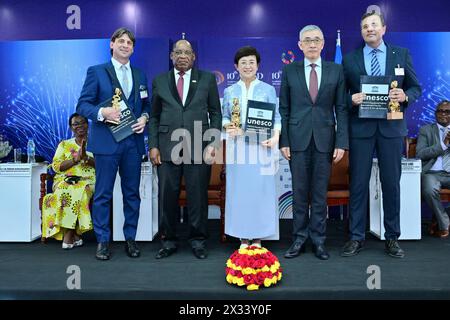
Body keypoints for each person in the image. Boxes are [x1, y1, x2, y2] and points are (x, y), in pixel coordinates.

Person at [341, 11, 422, 258]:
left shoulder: (401, 54)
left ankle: (392, 237)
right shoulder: (350, 59)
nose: (370, 29)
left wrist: (405, 96)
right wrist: (351, 98)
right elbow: (340, 97)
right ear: (361, 31)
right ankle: (356, 237)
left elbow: (416, 86)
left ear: (384, 29)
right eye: (365, 26)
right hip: (361, 130)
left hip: (391, 129)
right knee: (357, 185)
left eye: (374, 25)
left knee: (391, 184)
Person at [76, 27, 151, 260]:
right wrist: (102, 112)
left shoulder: (140, 75)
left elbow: (147, 105)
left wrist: (144, 118)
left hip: (133, 144)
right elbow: (82, 106)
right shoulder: (96, 72)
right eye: (121, 41)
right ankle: (102, 241)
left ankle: (130, 239)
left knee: (132, 194)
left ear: (133, 48)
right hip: (107, 144)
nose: (125, 45)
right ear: (111, 44)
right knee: (103, 194)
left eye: (129, 42)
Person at [279, 25, 348, 260]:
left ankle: (318, 240)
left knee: (319, 194)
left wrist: (341, 142)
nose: (311, 44)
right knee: (299, 193)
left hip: (325, 141)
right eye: (307, 40)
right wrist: (284, 141)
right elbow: (284, 109)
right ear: (299, 45)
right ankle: (298, 239)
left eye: (316, 40)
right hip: (297, 141)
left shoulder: (336, 70)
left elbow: (341, 108)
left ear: (323, 44)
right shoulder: (289, 71)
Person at [149, 39, 222, 259]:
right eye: (178, 52)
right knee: (167, 197)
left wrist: (213, 142)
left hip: (198, 146)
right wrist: (153, 145)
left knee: (197, 197)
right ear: (171, 56)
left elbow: (216, 113)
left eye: (186, 52)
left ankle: (198, 240)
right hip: (167, 147)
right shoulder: (160, 80)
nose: (182, 55)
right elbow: (153, 116)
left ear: (193, 57)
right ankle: (168, 241)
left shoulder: (207, 79)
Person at [222, 46, 281, 249]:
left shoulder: (268, 89)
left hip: (261, 148)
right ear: (236, 66)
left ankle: (258, 237)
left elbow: (276, 117)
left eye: (251, 62)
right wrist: (226, 125)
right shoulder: (229, 91)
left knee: (260, 192)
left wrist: (275, 136)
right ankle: (242, 237)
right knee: (239, 192)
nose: (248, 66)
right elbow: (225, 116)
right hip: (238, 149)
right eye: (243, 63)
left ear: (258, 66)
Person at [42, 113, 95, 249]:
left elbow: (104, 164)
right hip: (65, 180)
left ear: (87, 124)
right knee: (66, 188)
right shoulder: (64, 144)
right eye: (75, 124)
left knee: (80, 191)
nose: (80, 126)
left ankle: (68, 233)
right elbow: (56, 166)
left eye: (82, 122)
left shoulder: (96, 143)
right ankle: (74, 234)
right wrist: (75, 160)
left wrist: (86, 159)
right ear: (71, 127)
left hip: (87, 181)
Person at [416, 100, 450, 239]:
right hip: (432, 173)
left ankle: (439, 217)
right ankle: (445, 224)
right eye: (439, 111)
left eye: (447, 111)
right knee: (429, 189)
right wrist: (443, 145)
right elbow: (420, 154)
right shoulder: (426, 130)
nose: (442, 114)